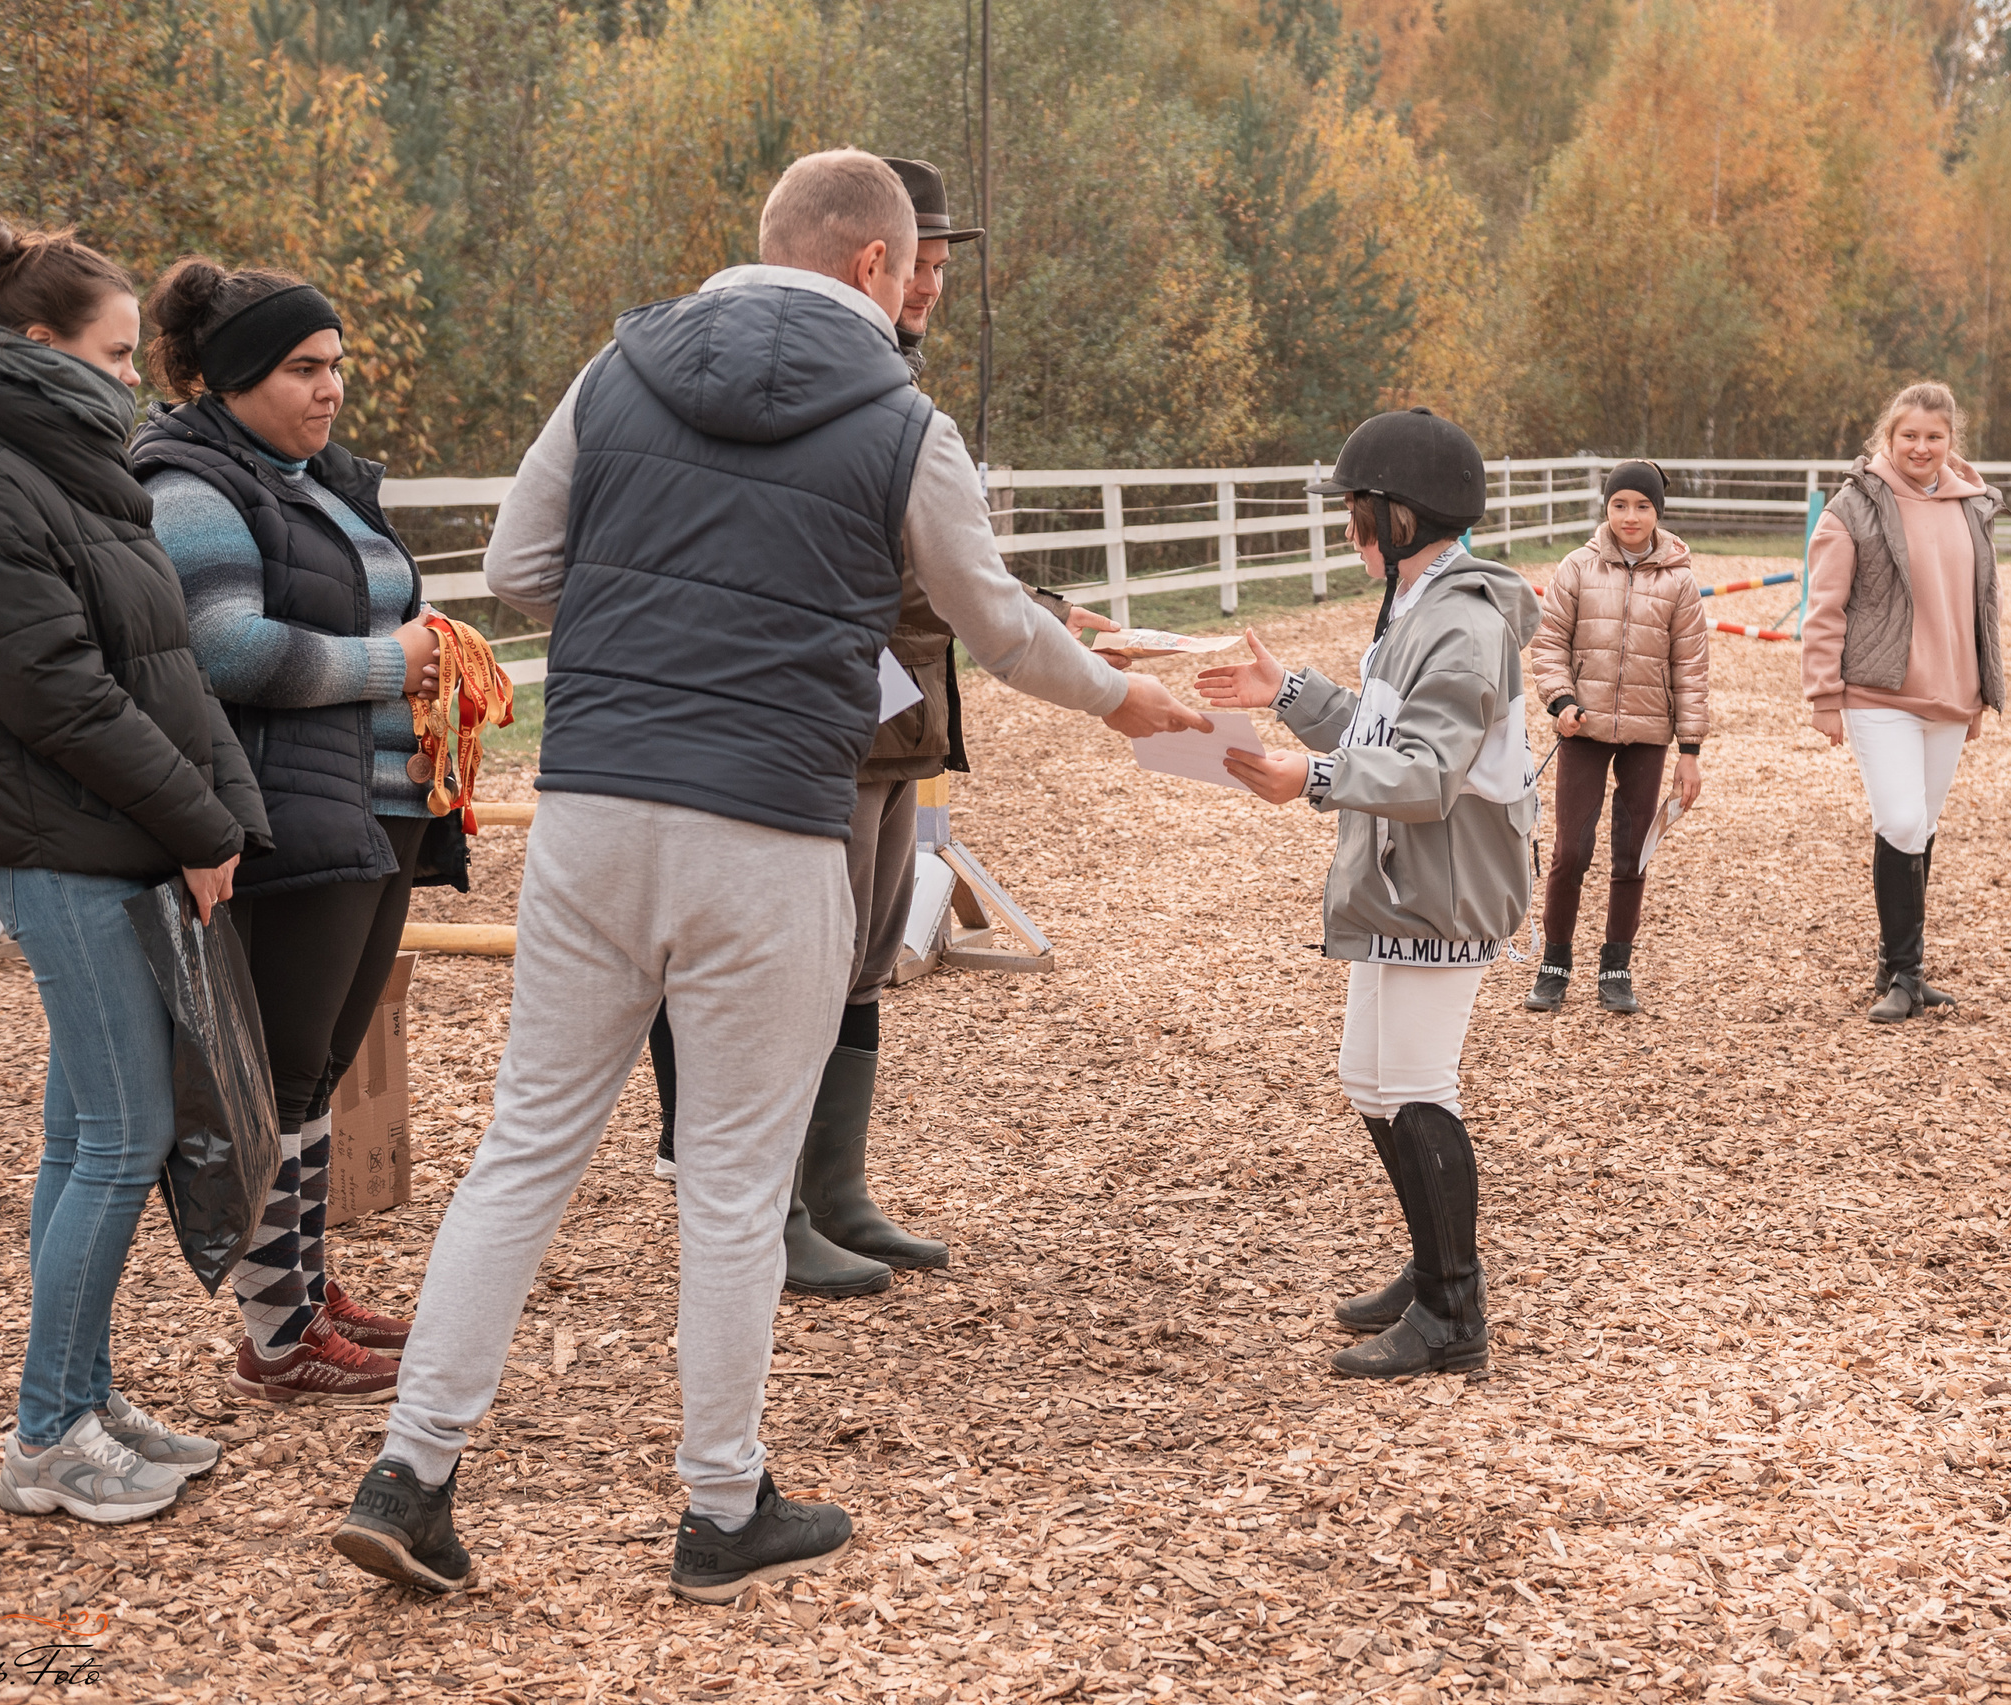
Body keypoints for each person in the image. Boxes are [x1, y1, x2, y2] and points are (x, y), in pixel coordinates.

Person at [329, 148, 1208, 1599]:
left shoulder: (614, 371)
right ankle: (721, 1504)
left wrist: (649, 613)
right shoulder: (902, 419)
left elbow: (515, 561)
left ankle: (412, 1469)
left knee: (525, 1149)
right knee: (733, 1186)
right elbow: (991, 622)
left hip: (598, 805)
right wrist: (1130, 701)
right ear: (876, 263)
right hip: (767, 824)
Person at [642, 158, 1123, 1300]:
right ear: (873, 258)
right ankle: (782, 1203)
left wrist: (1023, 601)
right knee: (808, 963)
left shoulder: (889, 376)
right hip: (832, 714)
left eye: (941, 269)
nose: (931, 286)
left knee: (861, 958)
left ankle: (839, 1188)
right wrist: (1033, 616)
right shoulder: (847, 390)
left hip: (903, 712)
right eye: (924, 265)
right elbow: (894, 563)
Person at [0, 197, 269, 1521]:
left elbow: (162, 672)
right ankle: (47, 1430)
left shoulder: (68, 478)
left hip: (111, 841)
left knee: (85, 1133)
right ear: (40, 344)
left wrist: (216, 817)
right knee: (124, 1136)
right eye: (116, 358)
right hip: (60, 851)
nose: (131, 378)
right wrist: (203, 824)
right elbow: (61, 699)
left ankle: (82, 1393)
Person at [129, 261, 456, 1406]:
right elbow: (224, 649)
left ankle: (304, 1291)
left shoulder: (312, 479)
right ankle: (277, 1334)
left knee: (317, 1071)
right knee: (278, 1070)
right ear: (229, 379)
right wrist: (396, 660)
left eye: (335, 366)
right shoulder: (191, 488)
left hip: (373, 805)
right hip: (290, 811)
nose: (331, 390)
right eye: (303, 369)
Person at [1194, 407, 1532, 1381]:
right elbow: (1383, 731)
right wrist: (1290, 691)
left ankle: (1453, 1311)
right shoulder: (1414, 614)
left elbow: (1423, 775)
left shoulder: (1460, 627)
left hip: (1443, 880)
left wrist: (1309, 780)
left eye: (1357, 511)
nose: (1348, 528)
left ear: (1403, 517)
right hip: (1401, 878)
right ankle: (1432, 1269)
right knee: (1369, 1080)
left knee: (1418, 1086)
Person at [1800, 380, 2005, 1023]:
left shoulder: (1970, 504)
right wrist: (1822, 694)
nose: (1922, 447)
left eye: (1934, 437)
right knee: (1902, 822)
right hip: (1878, 691)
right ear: (1888, 438)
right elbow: (1825, 606)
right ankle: (1906, 976)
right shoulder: (1854, 506)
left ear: (1951, 441)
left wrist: (1979, 693)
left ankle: (1899, 966)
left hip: (1951, 691)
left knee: (1924, 826)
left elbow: (1981, 605)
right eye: (1909, 436)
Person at [1522, 460, 1707, 1014]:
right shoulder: (1577, 567)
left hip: (1649, 736)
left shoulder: (1679, 581)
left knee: (1632, 853)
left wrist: (1690, 751)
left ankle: (1616, 965)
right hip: (1584, 728)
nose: (1631, 516)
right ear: (1606, 507)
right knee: (1570, 849)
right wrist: (1560, 700)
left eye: (1643, 506)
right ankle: (1554, 962)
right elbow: (1549, 641)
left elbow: (1691, 668)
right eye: (1620, 504)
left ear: (1658, 513)